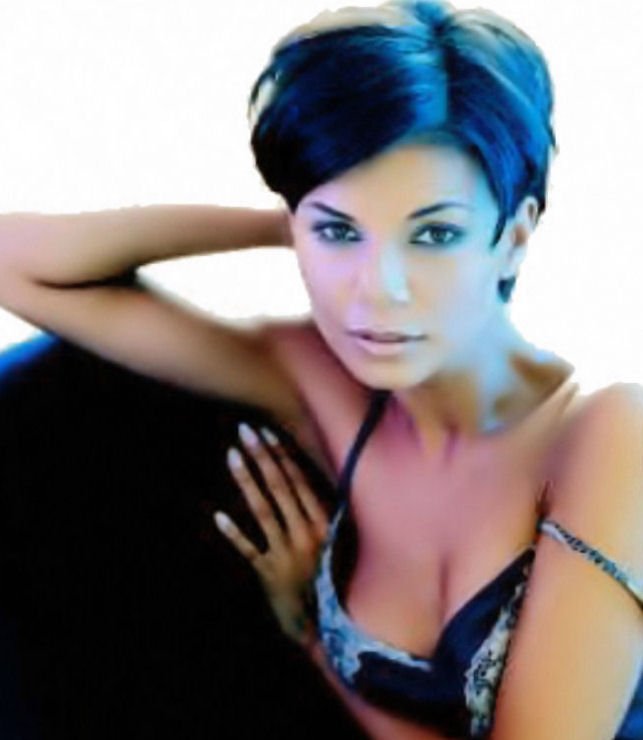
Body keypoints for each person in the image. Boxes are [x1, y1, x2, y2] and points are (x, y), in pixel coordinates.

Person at [0, 0, 642, 737]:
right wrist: (293, 215)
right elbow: (17, 264)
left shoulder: (608, 434)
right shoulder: (324, 387)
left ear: (515, 238)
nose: (379, 289)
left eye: (434, 234)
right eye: (340, 234)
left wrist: (311, 638)